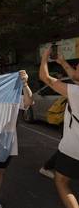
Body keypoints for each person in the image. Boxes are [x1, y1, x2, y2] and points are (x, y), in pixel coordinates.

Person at [0, 70, 34, 208]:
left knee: (0, 173)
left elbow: (29, 101)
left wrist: (24, 83)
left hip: (8, 142)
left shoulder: (10, 96)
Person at [40, 48, 79, 208]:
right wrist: (62, 62)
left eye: (78, 66)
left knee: (61, 181)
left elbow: (45, 78)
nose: (75, 66)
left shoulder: (76, 92)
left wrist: (44, 59)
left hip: (74, 150)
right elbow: (76, 77)